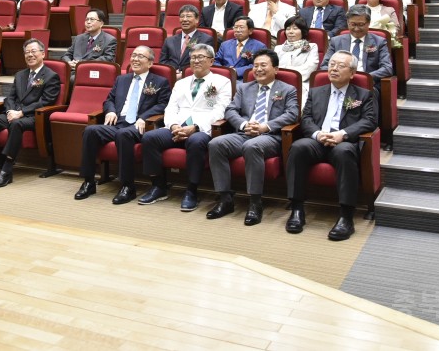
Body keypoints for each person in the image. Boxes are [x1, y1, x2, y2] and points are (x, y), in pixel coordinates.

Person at [285, 51, 377, 241]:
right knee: (298, 147)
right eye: (332, 64)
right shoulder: (316, 91)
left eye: (340, 66)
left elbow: (369, 121)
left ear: (352, 73)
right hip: (317, 140)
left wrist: (342, 134)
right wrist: (318, 134)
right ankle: (296, 209)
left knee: (344, 152)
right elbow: (307, 119)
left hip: (343, 141)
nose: (334, 68)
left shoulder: (364, 94)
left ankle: (346, 216)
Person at [207, 49, 298, 225]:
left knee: (252, 146)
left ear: (276, 69)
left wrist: (265, 126)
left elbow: (292, 114)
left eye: (263, 65)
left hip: (270, 136)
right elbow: (231, 110)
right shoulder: (244, 88)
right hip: (244, 132)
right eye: (255, 66)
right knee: (216, 144)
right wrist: (243, 124)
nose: (258, 69)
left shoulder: (287, 89)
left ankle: (255, 203)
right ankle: (225, 199)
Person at [138, 44, 232, 211]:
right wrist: (173, 125)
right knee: (150, 138)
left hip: (202, 128)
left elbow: (220, 110)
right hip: (177, 126)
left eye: (200, 57)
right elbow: (171, 108)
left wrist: (195, 127)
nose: (196, 60)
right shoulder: (181, 83)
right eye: (193, 57)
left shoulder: (221, 82)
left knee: (196, 141)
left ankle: (191, 190)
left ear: (211, 61)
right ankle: (158, 186)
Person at [74, 46, 172, 204]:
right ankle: (88, 181)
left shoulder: (160, 81)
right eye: (133, 55)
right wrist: (110, 111)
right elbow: (109, 100)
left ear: (150, 63)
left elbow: (163, 105)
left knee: (123, 134)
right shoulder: (122, 79)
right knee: (90, 131)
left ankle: (128, 186)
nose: (135, 59)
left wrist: (145, 117)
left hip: (140, 127)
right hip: (118, 123)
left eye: (140, 56)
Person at [0, 39, 62, 188]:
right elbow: (10, 97)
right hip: (14, 113)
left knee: (16, 124)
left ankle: (7, 168)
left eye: (33, 51)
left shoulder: (51, 76)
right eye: (27, 52)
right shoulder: (20, 74)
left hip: (34, 117)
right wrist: (10, 110)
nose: (30, 55)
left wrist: (20, 113)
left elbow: (45, 101)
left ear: (43, 53)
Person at [320, 5, 393, 83]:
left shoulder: (379, 42)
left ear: (368, 23)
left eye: (361, 25)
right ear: (348, 23)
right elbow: (324, 66)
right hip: (340, 82)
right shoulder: (336, 41)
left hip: (366, 84)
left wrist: (365, 77)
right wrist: (340, 75)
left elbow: (387, 68)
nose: (356, 29)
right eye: (353, 24)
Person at [274, 16, 320, 105]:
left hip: (301, 83)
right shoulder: (278, 48)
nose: (290, 32)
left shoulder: (312, 46)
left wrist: (287, 72)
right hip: (279, 83)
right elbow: (273, 68)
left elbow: (310, 67)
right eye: (288, 29)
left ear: (302, 31)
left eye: (295, 29)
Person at [159, 5, 214, 77]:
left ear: (197, 19)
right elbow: (163, 62)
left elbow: (205, 63)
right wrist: (173, 72)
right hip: (171, 77)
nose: (184, 19)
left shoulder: (205, 39)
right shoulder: (169, 40)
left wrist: (184, 74)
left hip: (193, 77)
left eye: (188, 16)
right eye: (182, 16)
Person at [62, 9, 118, 77]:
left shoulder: (109, 40)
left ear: (101, 23)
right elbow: (66, 55)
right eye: (86, 19)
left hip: (92, 72)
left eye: (92, 19)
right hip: (73, 71)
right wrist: (69, 62)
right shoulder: (79, 38)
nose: (88, 22)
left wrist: (82, 64)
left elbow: (108, 59)